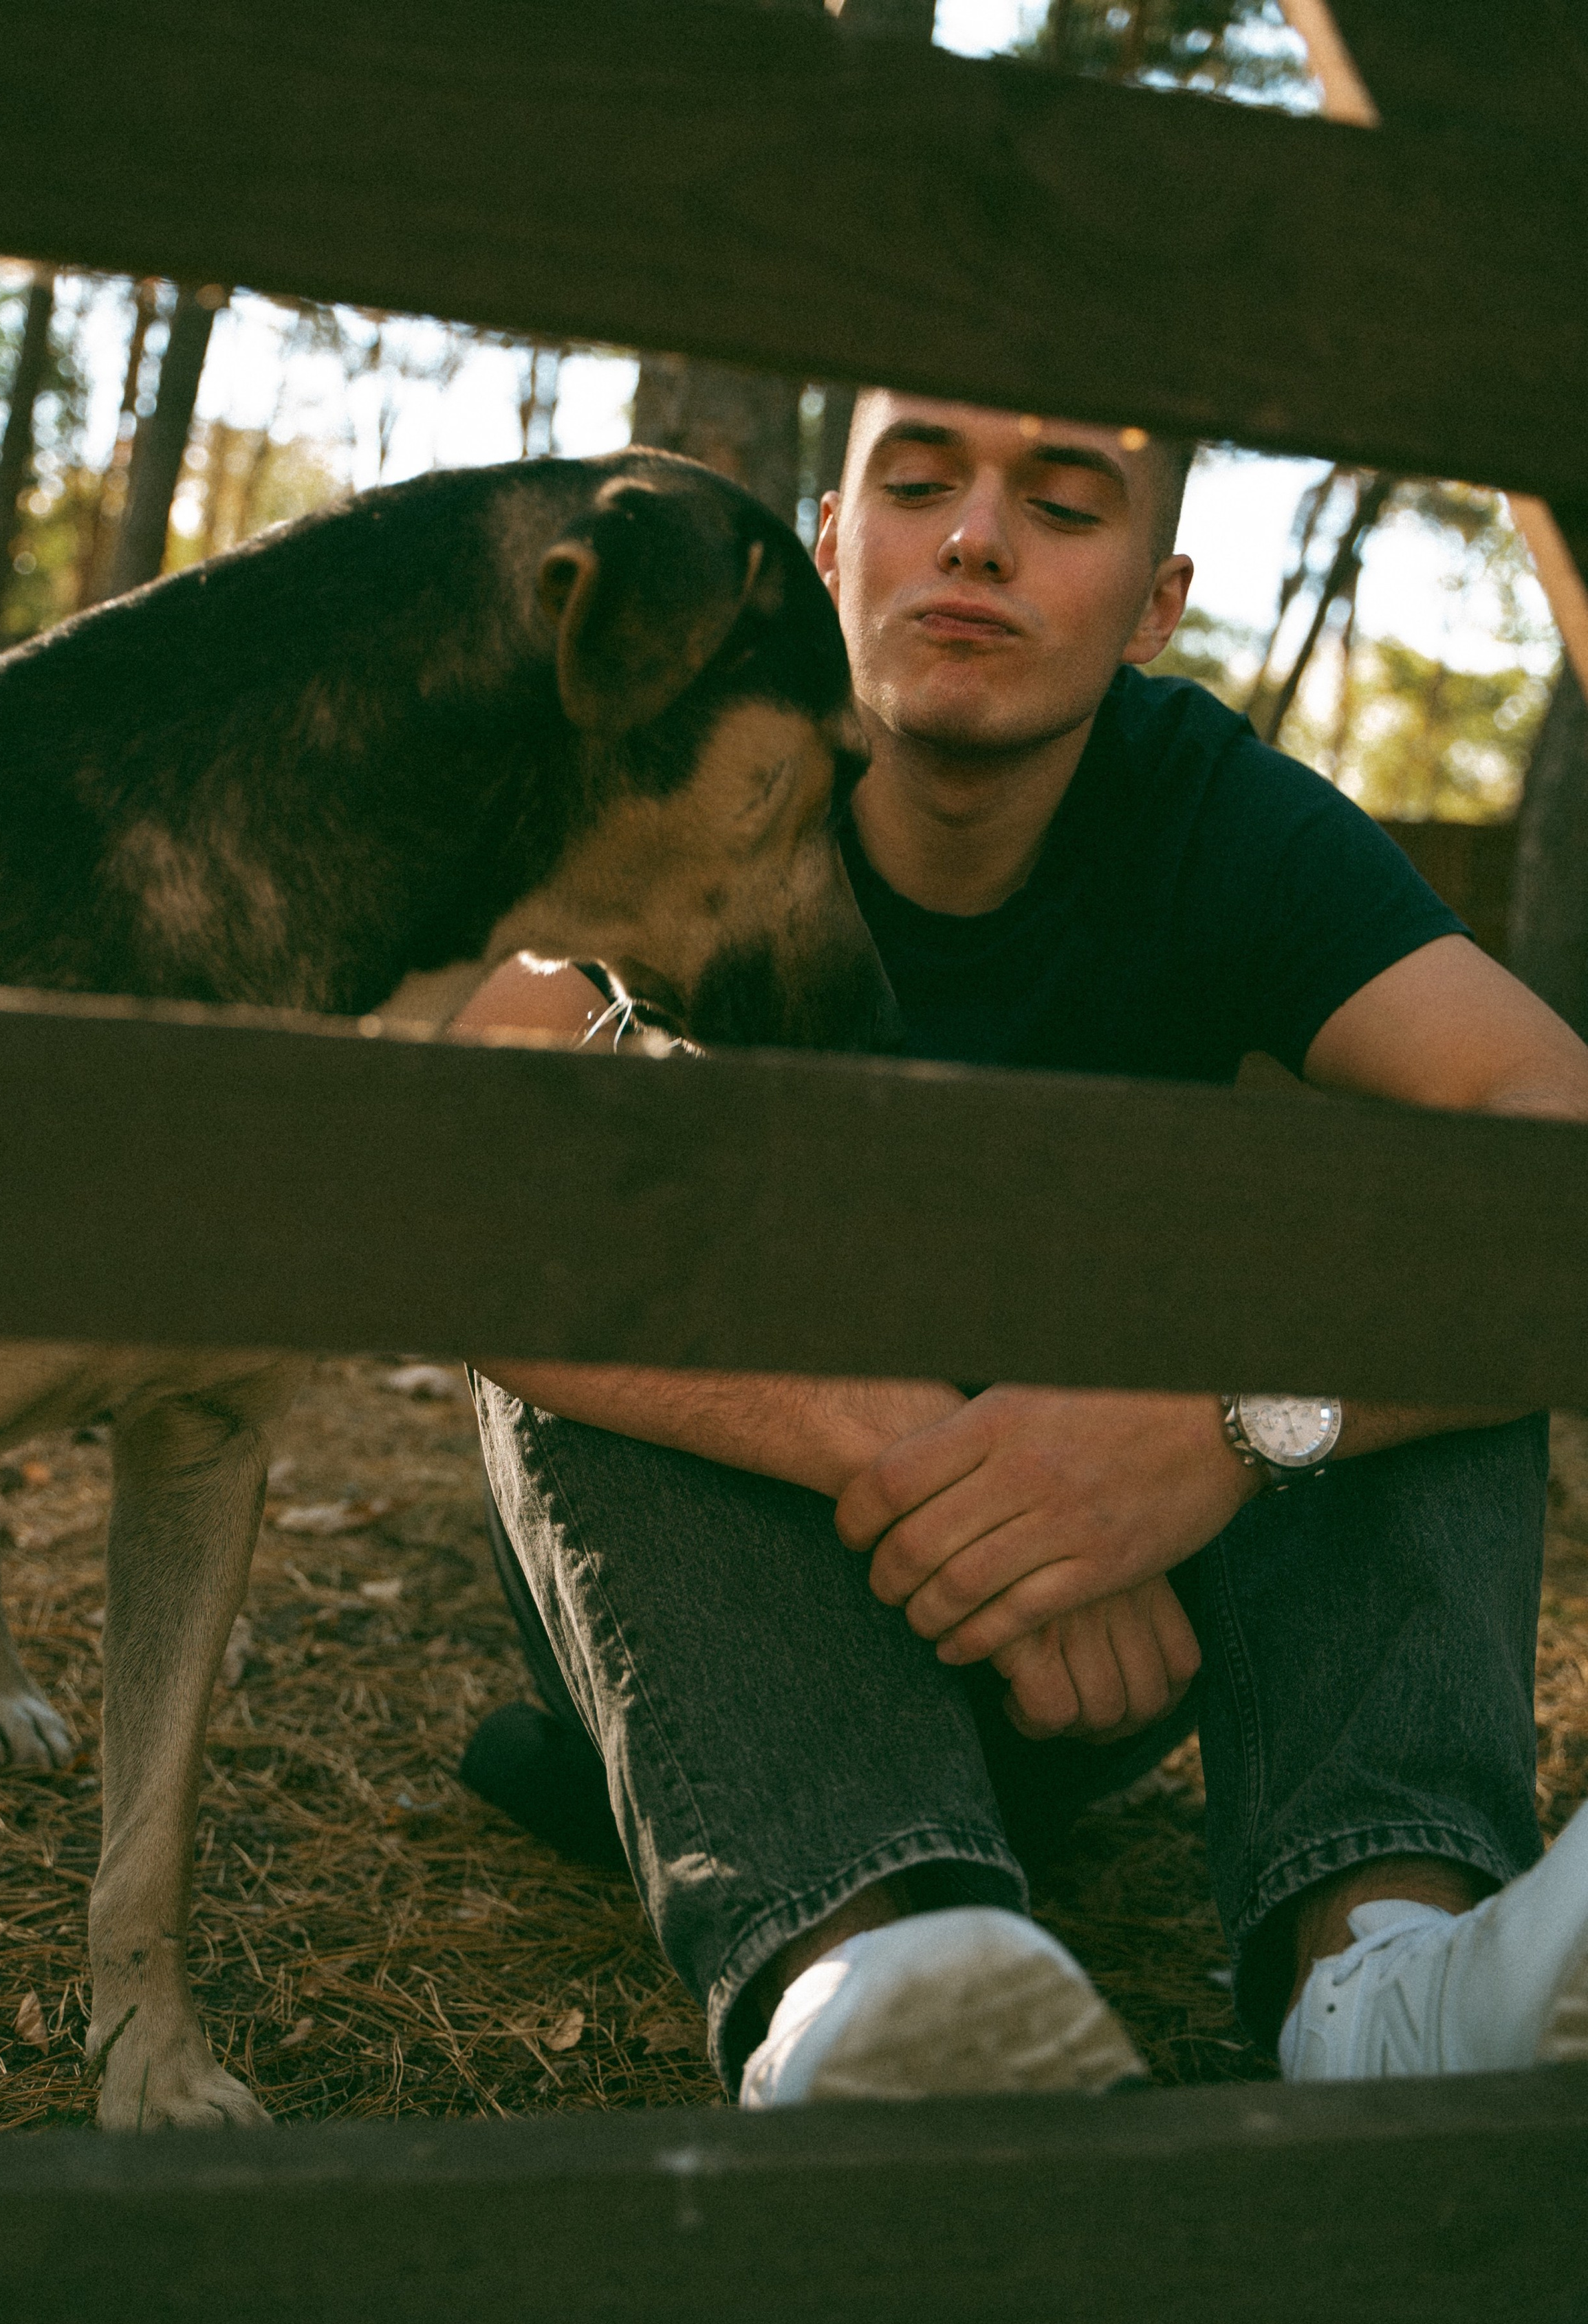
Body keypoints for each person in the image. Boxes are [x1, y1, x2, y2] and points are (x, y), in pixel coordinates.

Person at [453, 391, 1588, 2107]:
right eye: (915, 486)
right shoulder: (689, 775)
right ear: (829, 549)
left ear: (1152, 607)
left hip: (1122, 1645)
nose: (971, 537)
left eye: (1060, 507)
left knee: (1437, 1241)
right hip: (746, 1604)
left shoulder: (1215, 813)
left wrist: (1222, 1415)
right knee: (580, 1237)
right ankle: (876, 1966)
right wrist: (961, 1462)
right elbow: (465, 1150)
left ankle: (1383, 1970)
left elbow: (1549, 1131)